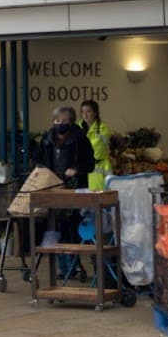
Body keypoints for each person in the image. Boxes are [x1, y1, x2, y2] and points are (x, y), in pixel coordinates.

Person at [34, 106, 95, 281]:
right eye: (57, 121)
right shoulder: (47, 139)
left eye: (64, 122)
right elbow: (38, 160)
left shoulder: (81, 140)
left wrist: (76, 169)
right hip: (53, 187)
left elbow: (89, 163)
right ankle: (62, 266)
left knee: (71, 227)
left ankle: (74, 264)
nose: (59, 125)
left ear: (71, 122)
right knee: (55, 226)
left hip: (74, 188)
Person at [79, 99, 112, 191]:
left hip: (99, 168)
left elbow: (97, 149)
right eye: (82, 112)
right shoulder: (78, 127)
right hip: (81, 170)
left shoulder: (102, 128)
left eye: (88, 111)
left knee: (100, 197)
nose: (85, 115)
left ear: (95, 113)